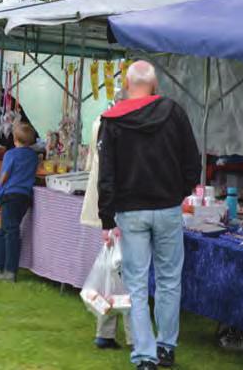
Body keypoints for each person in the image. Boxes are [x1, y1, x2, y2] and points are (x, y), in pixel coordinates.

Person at [98, 61, 201, 370]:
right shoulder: (175, 112)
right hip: (168, 208)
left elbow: (107, 175)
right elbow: (192, 161)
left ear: (128, 86)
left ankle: (145, 354)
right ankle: (166, 347)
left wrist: (106, 219)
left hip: (131, 212)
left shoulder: (113, 120)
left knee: (138, 285)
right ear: (155, 87)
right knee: (170, 280)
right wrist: (178, 192)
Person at [80, 89, 132, 350]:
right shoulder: (120, 128)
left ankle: (106, 331)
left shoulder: (100, 122)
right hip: (118, 207)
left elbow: (95, 164)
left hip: (106, 207)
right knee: (126, 275)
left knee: (113, 273)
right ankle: (135, 337)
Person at [0, 122, 39, 282]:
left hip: (10, 195)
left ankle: (9, 270)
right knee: (3, 230)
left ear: (14, 138)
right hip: (24, 197)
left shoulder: (10, 155)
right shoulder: (33, 156)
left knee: (10, 231)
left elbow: (3, 177)